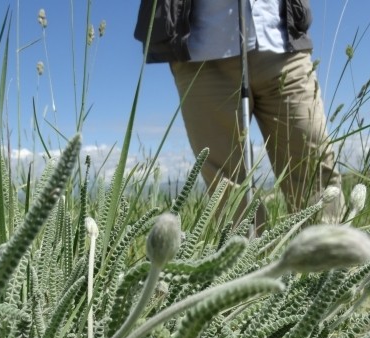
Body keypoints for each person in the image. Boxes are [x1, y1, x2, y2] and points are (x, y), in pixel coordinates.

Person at [134, 0, 344, 230]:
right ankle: (252, 263)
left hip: (282, 39)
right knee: (228, 188)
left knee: (313, 170)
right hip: (200, 52)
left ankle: (329, 260)